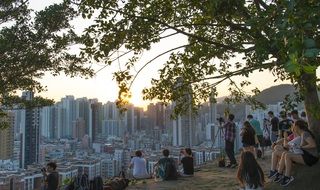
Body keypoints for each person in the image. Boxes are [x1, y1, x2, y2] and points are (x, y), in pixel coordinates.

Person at [272, 120, 319, 186]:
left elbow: (313, 145)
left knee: (287, 155)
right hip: (306, 155)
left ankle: (287, 177)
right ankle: (280, 174)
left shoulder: (305, 133)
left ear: (297, 126)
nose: (292, 127)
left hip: (311, 157)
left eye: (294, 126)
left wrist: (301, 147)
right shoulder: (302, 134)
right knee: (285, 154)